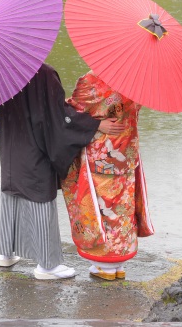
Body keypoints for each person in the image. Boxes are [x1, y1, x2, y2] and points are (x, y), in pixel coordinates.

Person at [0, 63, 124, 280]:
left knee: (12, 190)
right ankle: (48, 266)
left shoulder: (5, 69)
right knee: (39, 193)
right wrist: (94, 126)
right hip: (35, 142)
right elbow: (57, 117)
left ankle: (5, 254)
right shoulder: (43, 72)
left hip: (11, 138)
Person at [61, 71, 155, 281]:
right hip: (127, 152)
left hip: (101, 154)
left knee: (101, 209)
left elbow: (72, 110)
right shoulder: (140, 79)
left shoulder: (92, 80)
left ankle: (104, 265)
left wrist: (94, 120)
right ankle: (119, 266)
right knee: (122, 210)